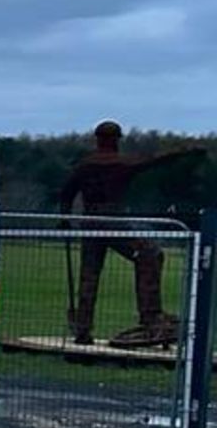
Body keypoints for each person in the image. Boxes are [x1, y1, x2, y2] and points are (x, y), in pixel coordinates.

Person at [57, 121, 204, 346]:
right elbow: (155, 160)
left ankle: (83, 330)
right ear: (117, 140)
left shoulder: (84, 166)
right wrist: (185, 152)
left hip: (89, 223)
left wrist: (65, 219)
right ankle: (150, 316)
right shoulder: (122, 163)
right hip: (113, 221)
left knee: (89, 276)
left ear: (97, 139)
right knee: (151, 254)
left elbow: (66, 194)